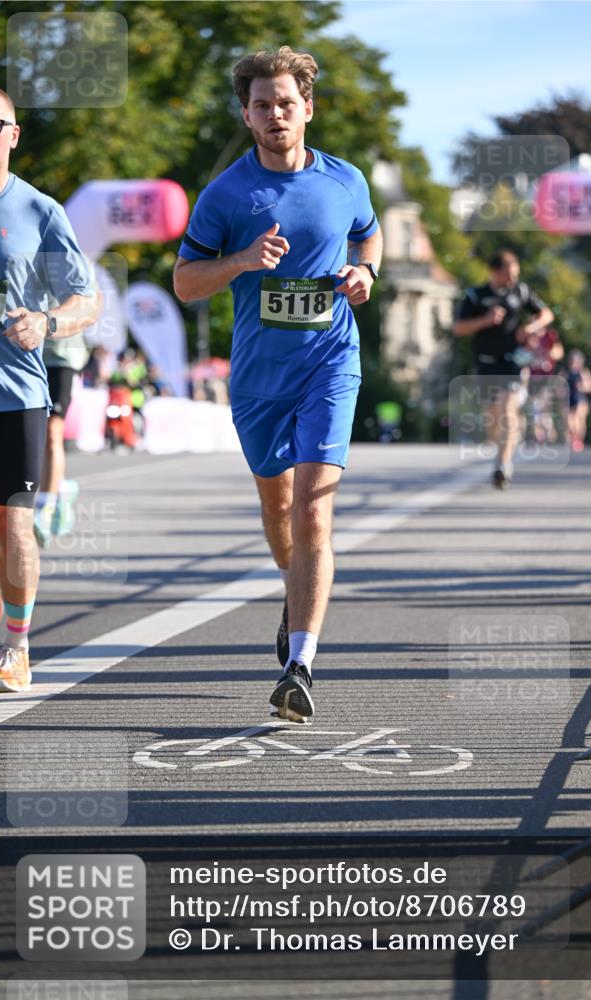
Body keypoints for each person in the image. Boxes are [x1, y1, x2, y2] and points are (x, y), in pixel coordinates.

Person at [174, 46, 382, 723]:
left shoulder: (344, 179)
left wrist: (365, 275)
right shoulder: (226, 194)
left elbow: (368, 237)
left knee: (313, 509)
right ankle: (295, 599)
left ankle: (301, 662)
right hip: (259, 378)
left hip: (329, 363)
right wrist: (238, 261)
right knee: (277, 508)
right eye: (261, 105)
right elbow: (185, 282)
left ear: (307, 108)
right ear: (246, 113)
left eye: (285, 103)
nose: (274, 115)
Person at [0, 84, 98, 692]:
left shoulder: (39, 212)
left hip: (16, 393)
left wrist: (47, 322)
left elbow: (87, 300)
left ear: (13, 135)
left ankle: (16, 650)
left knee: (12, 524)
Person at [454, 250, 554, 488]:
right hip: (485, 363)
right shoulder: (475, 296)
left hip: (511, 362)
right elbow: (458, 328)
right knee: (493, 418)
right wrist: (485, 320)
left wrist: (532, 327)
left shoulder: (521, 291)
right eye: (507, 275)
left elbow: (546, 314)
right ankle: (501, 450)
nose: (511, 280)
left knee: (508, 410)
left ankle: (503, 465)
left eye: (515, 275)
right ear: (494, 272)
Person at [33, 328, 90, 546]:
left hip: (61, 357)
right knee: (33, 433)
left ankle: (44, 510)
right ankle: (61, 485)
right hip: (25, 354)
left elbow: (92, 305)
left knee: (52, 430)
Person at [565, 349, 591, 452]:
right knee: (570, 422)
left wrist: (582, 387)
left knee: (579, 420)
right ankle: (574, 439)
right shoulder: (566, 372)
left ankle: (578, 440)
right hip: (570, 399)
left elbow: (590, 387)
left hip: (581, 399)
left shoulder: (583, 372)